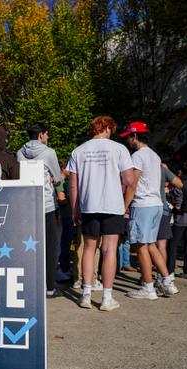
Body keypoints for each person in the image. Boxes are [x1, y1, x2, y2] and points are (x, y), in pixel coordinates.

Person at [68, 115, 134, 311]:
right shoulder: (120, 149)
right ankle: (107, 297)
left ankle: (86, 294)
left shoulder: (79, 151)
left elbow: (73, 185)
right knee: (109, 250)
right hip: (113, 205)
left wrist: (74, 209)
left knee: (89, 249)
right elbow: (129, 180)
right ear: (107, 128)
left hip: (89, 205)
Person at [122, 122, 179, 299]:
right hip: (156, 204)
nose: (128, 141)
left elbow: (132, 184)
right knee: (151, 245)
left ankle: (148, 287)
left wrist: (124, 206)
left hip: (143, 205)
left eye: (129, 137)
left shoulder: (138, 156)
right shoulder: (154, 155)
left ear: (135, 136)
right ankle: (167, 282)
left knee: (140, 246)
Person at [17, 123, 62, 297]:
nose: (48, 137)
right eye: (47, 134)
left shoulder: (20, 152)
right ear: (41, 135)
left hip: (27, 204)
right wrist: (55, 181)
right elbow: (57, 178)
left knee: (30, 247)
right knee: (50, 247)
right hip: (46, 204)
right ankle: (50, 287)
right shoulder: (49, 152)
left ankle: (30, 285)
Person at [155, 163, 183, 275]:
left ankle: (148, 278)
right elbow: (179, 183)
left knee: (148, 245)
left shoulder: (143, 168)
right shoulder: (162, 170)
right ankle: (163, 276)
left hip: (148, 208)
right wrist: (167, 171)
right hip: (163, 211)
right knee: (161, 245)